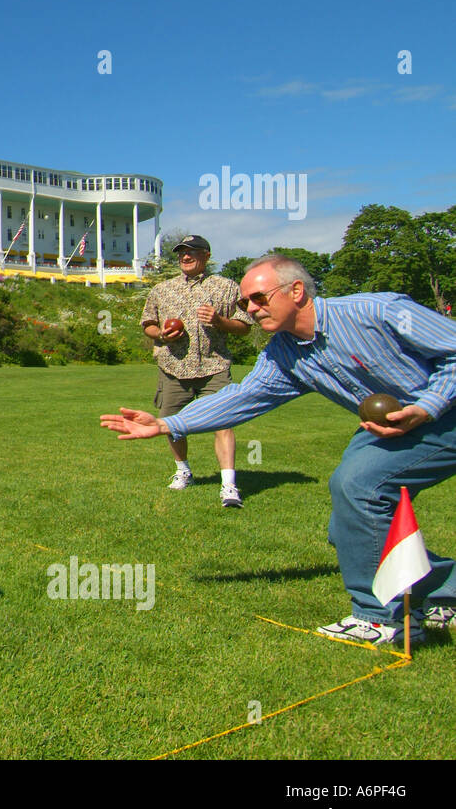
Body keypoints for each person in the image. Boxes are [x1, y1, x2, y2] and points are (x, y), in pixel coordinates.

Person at [101, 254, 456, 646]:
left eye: (258, 299)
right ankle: (446, 591)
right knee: (347, 527)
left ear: (296, 291)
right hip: (391, 428)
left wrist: (427, 406)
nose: (250, 310)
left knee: (360, 488)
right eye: (244, 304)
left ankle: (383, 619)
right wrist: (167, 423)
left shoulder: (377, 311)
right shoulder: (283, 354)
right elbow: (243, 397)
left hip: (446, 414)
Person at [140, 235, 254, 507]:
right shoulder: (162, 289)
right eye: (181, 253)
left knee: (223, 421)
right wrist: (162, 335)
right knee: (171, 424)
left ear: (206, 255)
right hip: (173, 367)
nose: (185, 257)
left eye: (191, 252)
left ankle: (228, 486)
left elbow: (245, 325)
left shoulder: (226, 287)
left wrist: (219, 321)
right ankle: (184, 471)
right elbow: (148, 324)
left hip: (214, 366)